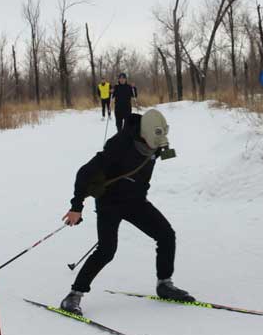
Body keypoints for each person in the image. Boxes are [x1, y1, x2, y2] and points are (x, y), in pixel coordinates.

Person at [59, 108, 193, 315]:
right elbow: (84, 173)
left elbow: (161, 153)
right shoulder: (119, 145)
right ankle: (73, 295)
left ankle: (164, 284)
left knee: (166, 235)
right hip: (110, 203)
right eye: (152, 143)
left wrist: (165, 151)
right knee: (106, 250)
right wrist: (76, 207)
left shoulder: (156, 142)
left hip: (136, 202)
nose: (153, 148)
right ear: (143, 133)